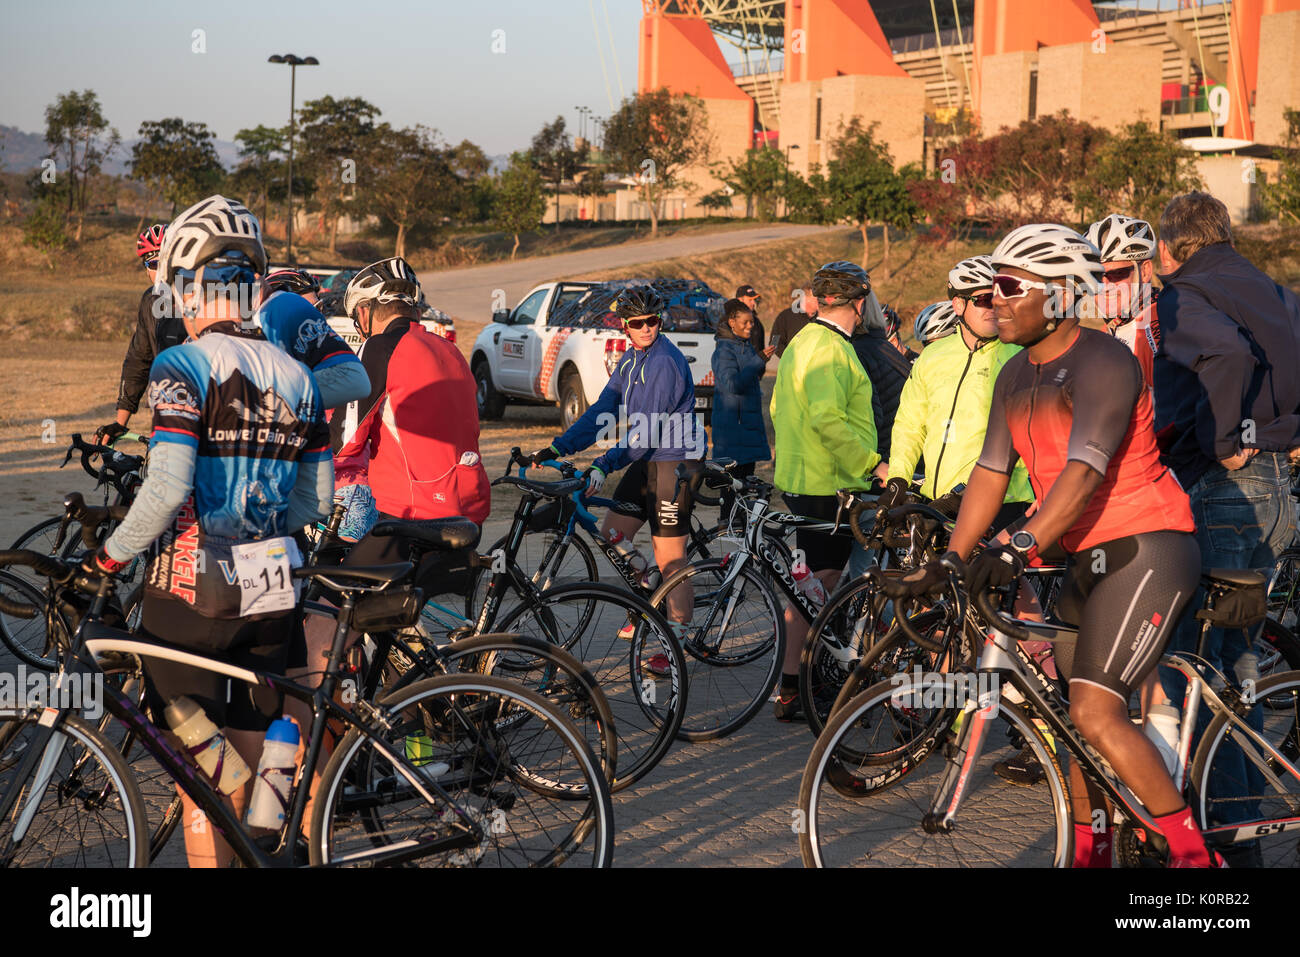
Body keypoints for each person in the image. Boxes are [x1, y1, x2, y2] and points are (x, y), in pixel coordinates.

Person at [901, 222, 1214, 867]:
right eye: (992, 286)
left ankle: (1194, 862)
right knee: (1065, 717)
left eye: (1012, 286)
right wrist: (954, 559)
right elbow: (990, 473)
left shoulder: (1104, 360)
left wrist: (1016, 546)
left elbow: (1085, 468)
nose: (996, 298)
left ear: (1064, 294)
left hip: (1145, 543)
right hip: (1084, 556)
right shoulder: (1013, 374)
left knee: (1096, 713)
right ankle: (1092, 846)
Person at [80, 195, 334, 868]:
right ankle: (274, 838)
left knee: (203, 784)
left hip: (192, 592)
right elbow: (316, 499)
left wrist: (107, 558)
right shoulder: (301, 378)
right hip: (273, 583)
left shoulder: (182, 367)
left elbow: (163, 490)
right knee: (254, 768)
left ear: (192, 286)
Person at [1152, 192, 1300, 864]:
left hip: (1226, 487)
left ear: (1171, 245)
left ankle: (1227, 837)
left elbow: (1226, 359)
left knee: (1195, 661)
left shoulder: (1185, 292)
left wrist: (1226, 435)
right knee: (1239, 667)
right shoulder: (1267, 287)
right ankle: (1240, 832)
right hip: (1275, 490)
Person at [531, 285, 706, 664]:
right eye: (638, 323)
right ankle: (649, 590)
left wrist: (603, 464)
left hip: (675, 459)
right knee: (613, 533)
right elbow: (600, 411)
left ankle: (673, 646)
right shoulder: (631, 360)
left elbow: (647, 432)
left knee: (671, 557)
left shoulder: (663, 362)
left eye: (653, 321)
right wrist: (559, 447)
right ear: (625, 326)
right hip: (648, 457)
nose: (647, 328)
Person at [331, 257, 490, 598]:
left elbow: (343, 441)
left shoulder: (381, 347)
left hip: (413, 513)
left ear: (364, 313)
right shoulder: (449, 349)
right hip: (467, 509)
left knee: (331, 604)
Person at [769, 261, 887, 721]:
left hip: (801, 481)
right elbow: (828, 419)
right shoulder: (832, 348)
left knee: (806, 588)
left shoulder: (802, 340)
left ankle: (792, 687)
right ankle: (816, 682)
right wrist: (872, 465)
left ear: (820, 301)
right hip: (831, 486)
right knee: (826, 585)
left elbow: (779, 405)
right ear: (858, 303)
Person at [95, 224, 187, 445]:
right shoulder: (150, 301)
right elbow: (139, 360)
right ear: (146, 268)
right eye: (154, 264)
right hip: (165, 409)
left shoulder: (202, 297)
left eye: (167, 262)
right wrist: (120, 423)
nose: (162, 271)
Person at [711, 298, 773, 524]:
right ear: (732, 322)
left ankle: (742, 524)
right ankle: (727, 524)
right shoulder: (724, 351)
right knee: (732, 484)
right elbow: (733, 384)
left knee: (747, 484)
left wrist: (759, 360)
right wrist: (759, 361)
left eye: (752, 323)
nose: (750, 327)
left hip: (746, 427)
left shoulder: (744, 346)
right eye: (745, 323)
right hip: (733, 431)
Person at [1086, 214, 1160, 390]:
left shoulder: (1155, 333)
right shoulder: (1111, 329)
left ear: (1145, 272)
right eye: (1096, 276)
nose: (1104, 285)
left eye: (1116, 274)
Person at [769, 282, 816, 358]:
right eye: (817, 297)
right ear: (805, 298)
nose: (821, 300)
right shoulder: (784, 316)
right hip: (791, 367)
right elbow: (774, 343)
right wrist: (791, 359)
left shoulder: (822, 317)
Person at [735, 283, 766, 353]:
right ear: (740, 300)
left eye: (754, 300)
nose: (753, 303)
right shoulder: (729, 322)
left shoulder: (757, 323)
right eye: (750, 300)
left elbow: (761, 349)